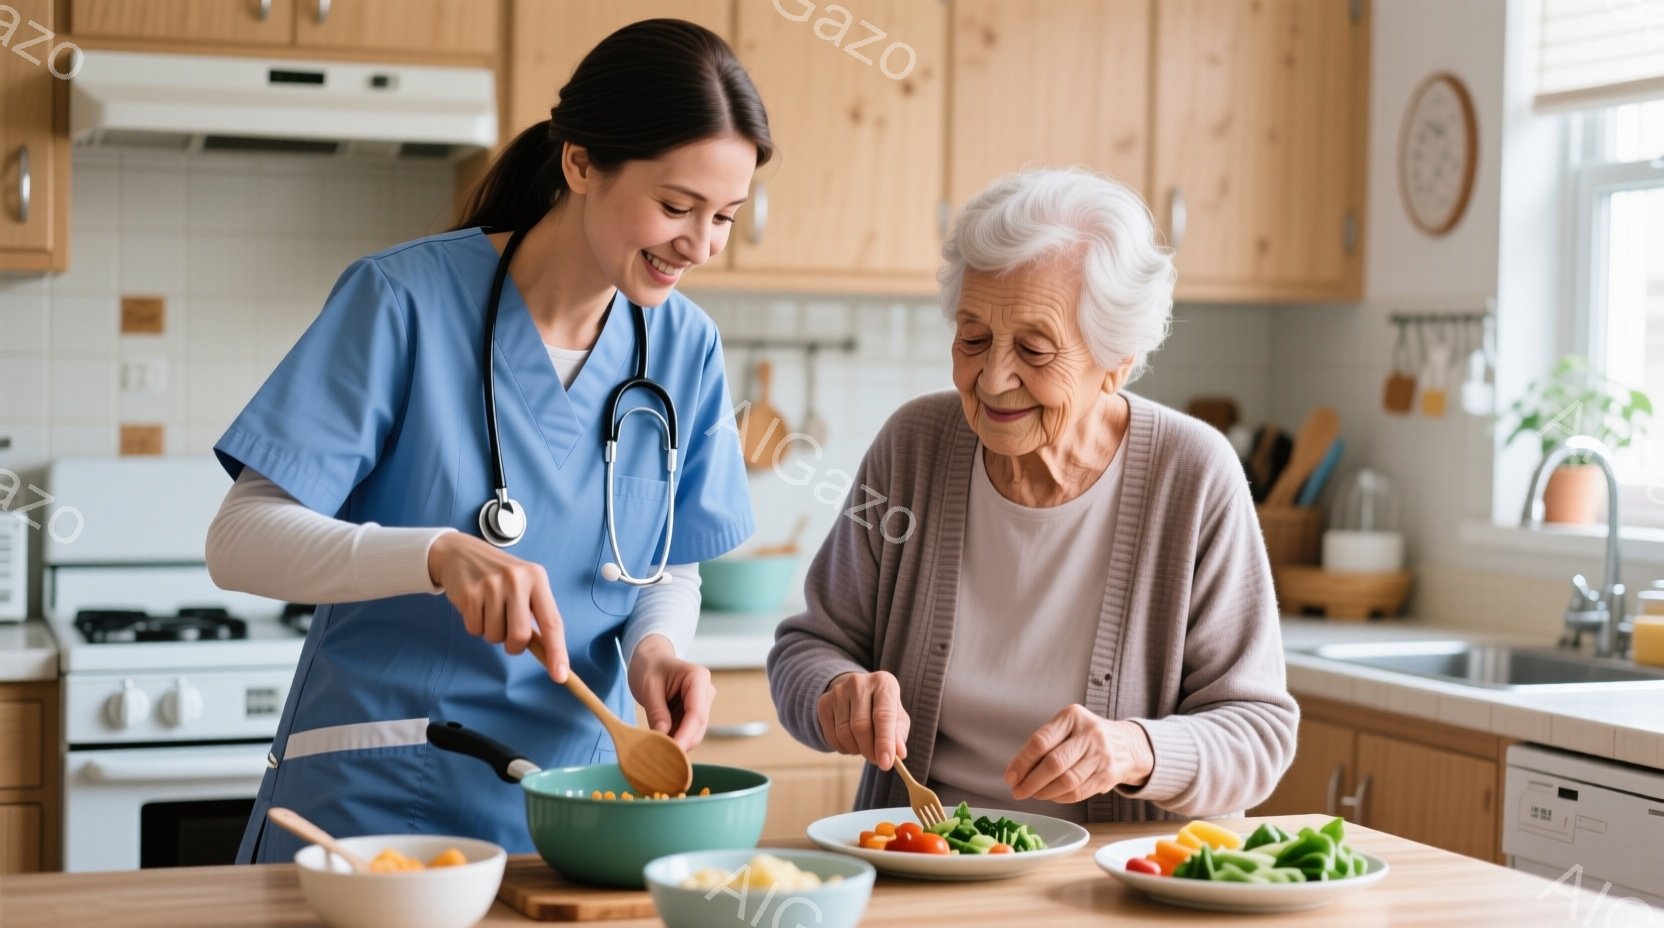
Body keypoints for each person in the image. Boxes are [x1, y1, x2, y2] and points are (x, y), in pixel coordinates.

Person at [205, 19, 771, 863]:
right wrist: (437, 555)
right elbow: (239, 541)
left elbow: (668, 565)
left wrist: (656, 650)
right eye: (676, 207)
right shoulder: (402, 300)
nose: (700, 245)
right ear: (580, 164)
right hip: (375, 804)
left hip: (572, 810)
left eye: (724, 216)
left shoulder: (684, 347)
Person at [767, 168, 1298, 824]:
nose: (993, 378)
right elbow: (806, 649)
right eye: (973, 339)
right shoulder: (913, 448)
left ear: (1118, 361)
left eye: (1035, 350)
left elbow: (1257, 733)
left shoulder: (1192, 475)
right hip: (924, 853)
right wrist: (835, 690)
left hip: (1113, 875)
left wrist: (1136, 750)